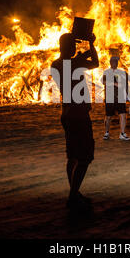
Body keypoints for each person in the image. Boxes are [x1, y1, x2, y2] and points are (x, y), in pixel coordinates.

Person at [51, 32, 99, 211]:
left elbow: (77, 61)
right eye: (73, 45)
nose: (75, 48)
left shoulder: (56, 64)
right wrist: (91, 44)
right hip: (79, 115)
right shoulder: (74, 63)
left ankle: (74, 192)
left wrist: (82, 54)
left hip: (66, 113)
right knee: (85, 157)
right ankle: (73, 197)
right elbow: (95, 63)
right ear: (68, 47)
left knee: (72, 156)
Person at [101, 56, 130, 141]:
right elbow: (103, 82)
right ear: (110, 62)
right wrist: (114, 83)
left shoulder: (122, 72)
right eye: (114, 61)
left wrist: (127, 96)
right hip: (110, 98)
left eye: (116, 62)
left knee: (123, 115)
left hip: (120, 97)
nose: (115, 63)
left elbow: (126, 85)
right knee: (108, 117)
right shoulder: (106, 72)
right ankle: (106, 132)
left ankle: (122, 133)